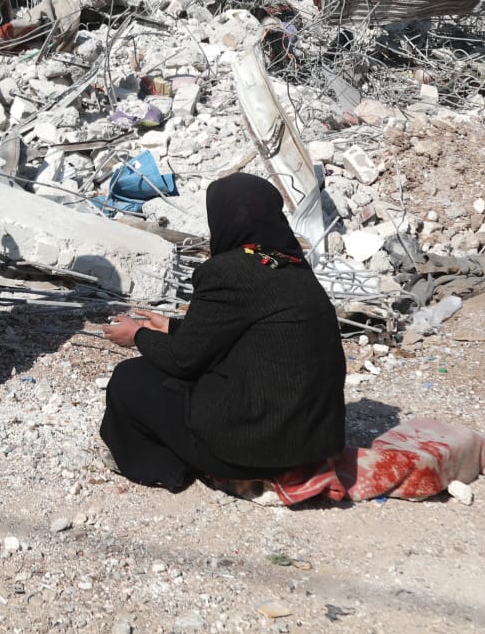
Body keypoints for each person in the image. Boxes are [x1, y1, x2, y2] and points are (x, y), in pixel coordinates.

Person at [97, 172, 346, 491]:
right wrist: (170, 326)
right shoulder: (291, 266)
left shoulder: (228, 271)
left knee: (131, 378)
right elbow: (242, 333)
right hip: (313, 444)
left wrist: (137, 336)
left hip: (257, 449)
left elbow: (185, 360)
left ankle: (165, 467)